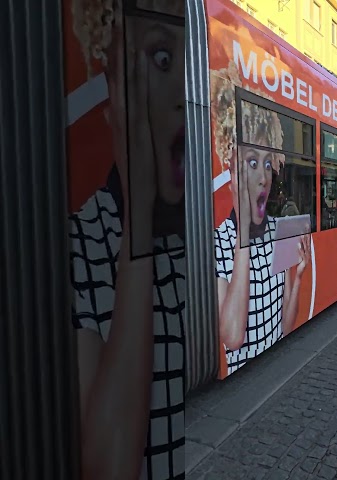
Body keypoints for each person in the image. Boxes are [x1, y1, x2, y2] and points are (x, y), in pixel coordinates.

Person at [68, 2, 186, 479]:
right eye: (161, 59)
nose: (184, 91)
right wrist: (137, 231)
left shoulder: (206, 230)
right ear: (113, 85)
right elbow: (108, 466)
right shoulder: (77, 241)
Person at [211, 62, 312, 375]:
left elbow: (284, 326)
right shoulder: (219, 241)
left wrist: (296, 279)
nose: (263, 177)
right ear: (231, 170)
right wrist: (243, 233)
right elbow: (232, 337)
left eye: (268, 165)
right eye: (252, 162)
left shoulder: (276, 232)